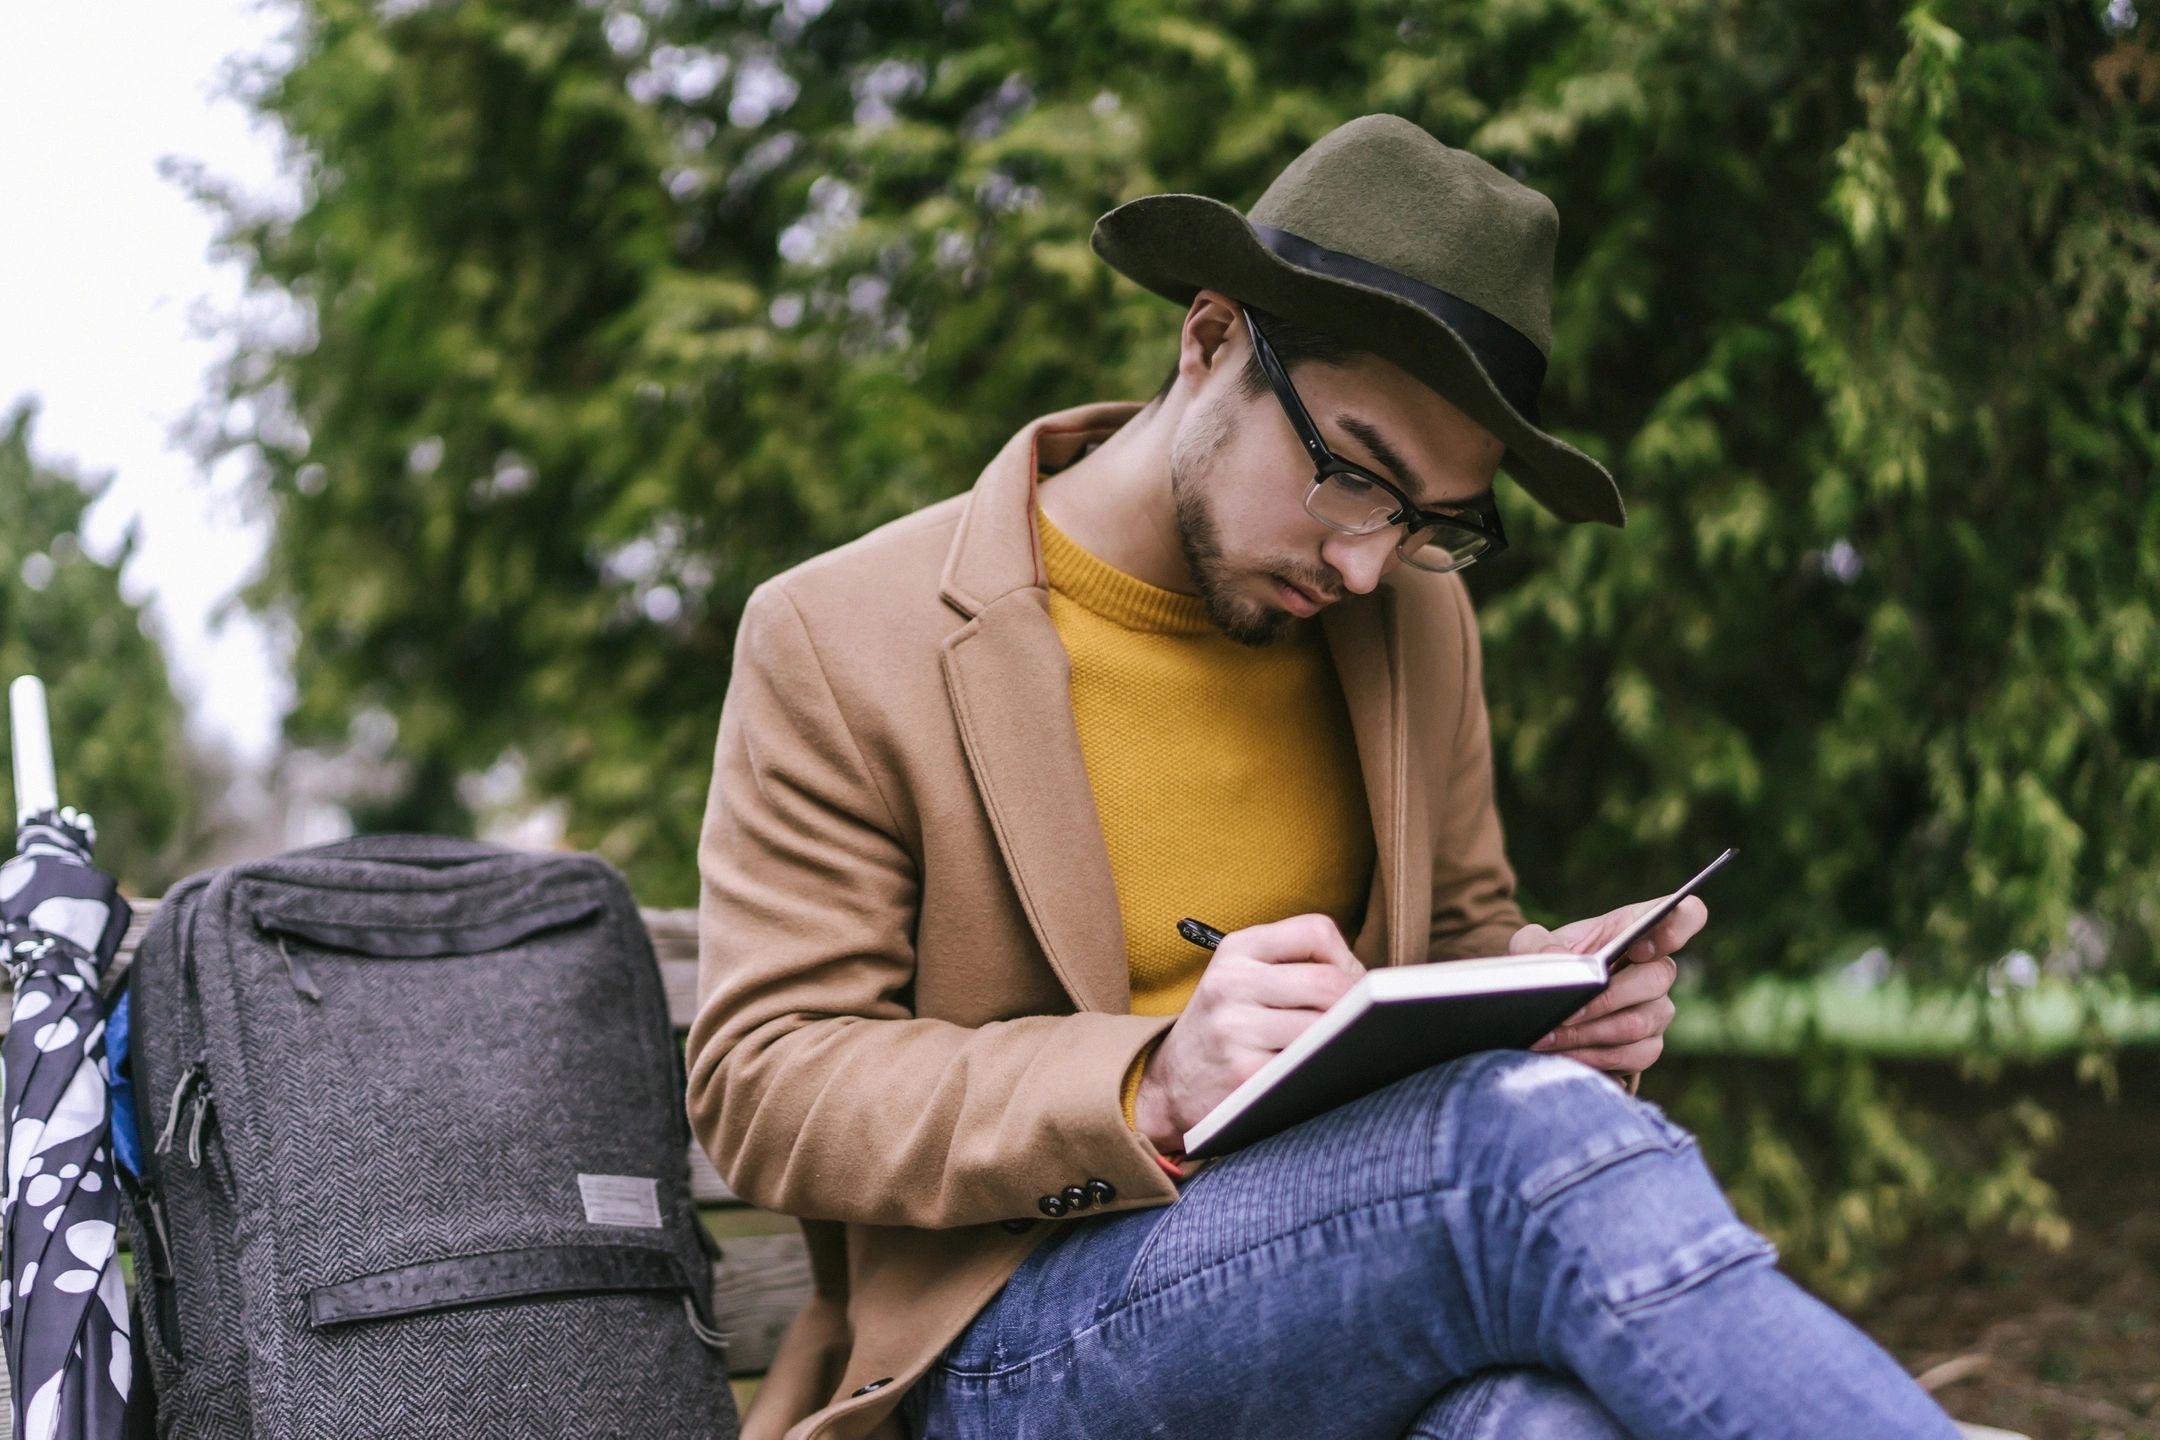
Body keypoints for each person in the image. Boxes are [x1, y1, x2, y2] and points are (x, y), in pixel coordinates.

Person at [686, 114, 1961, 1440]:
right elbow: (767, 1083)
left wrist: (1544, 1005)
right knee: (1509, 1152)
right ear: (1212, 340)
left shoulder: (1410, 623)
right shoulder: (843, 635)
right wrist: (1151, 1080)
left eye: (1429, 524)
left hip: (1340, 1288)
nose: (1363, 565)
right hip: (1010, 1335)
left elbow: (1456, 944)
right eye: (1354, 476)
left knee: (1536, 1427)